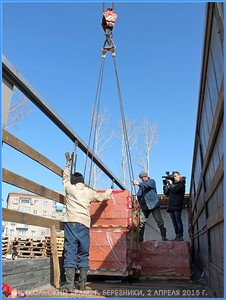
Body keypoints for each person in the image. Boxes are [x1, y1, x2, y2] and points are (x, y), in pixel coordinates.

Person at [60, 153, 112, 292]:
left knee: (70, 251)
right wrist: (109, 191)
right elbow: (102, 197)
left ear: (74, 181)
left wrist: (68, 163)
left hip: (71, 223)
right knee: (83, 253)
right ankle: (82, 284)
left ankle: (69, 285)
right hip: (84, 224)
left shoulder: (69, 189)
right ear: (83, 181)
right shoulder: (89, 192)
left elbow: (64, 178)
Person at [132, 171, 168, 241]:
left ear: (146, 177)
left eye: (142, 178)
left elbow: (147, 185)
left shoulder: (151, 181)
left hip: (154, 205)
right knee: (141, 222)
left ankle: (164, 237)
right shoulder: (141, 185)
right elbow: (139, 194)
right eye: (141, 179)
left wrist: (138, 183)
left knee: (159, 221)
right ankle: (140, 239)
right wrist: (136, 200)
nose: (141, 179)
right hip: (145, 206)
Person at [163, 171, 186, 241]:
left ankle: (181, 236)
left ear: (179, 176)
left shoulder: (181, 184)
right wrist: (165, 185)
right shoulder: (173, 184)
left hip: (177, 204)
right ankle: (177, 236)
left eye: (176, 176)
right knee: (174, 222)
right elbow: (166, 193)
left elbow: (176, 190)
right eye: (174, 176)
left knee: (178, 220)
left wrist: (171, 184)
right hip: (171, 205)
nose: (175, 177)